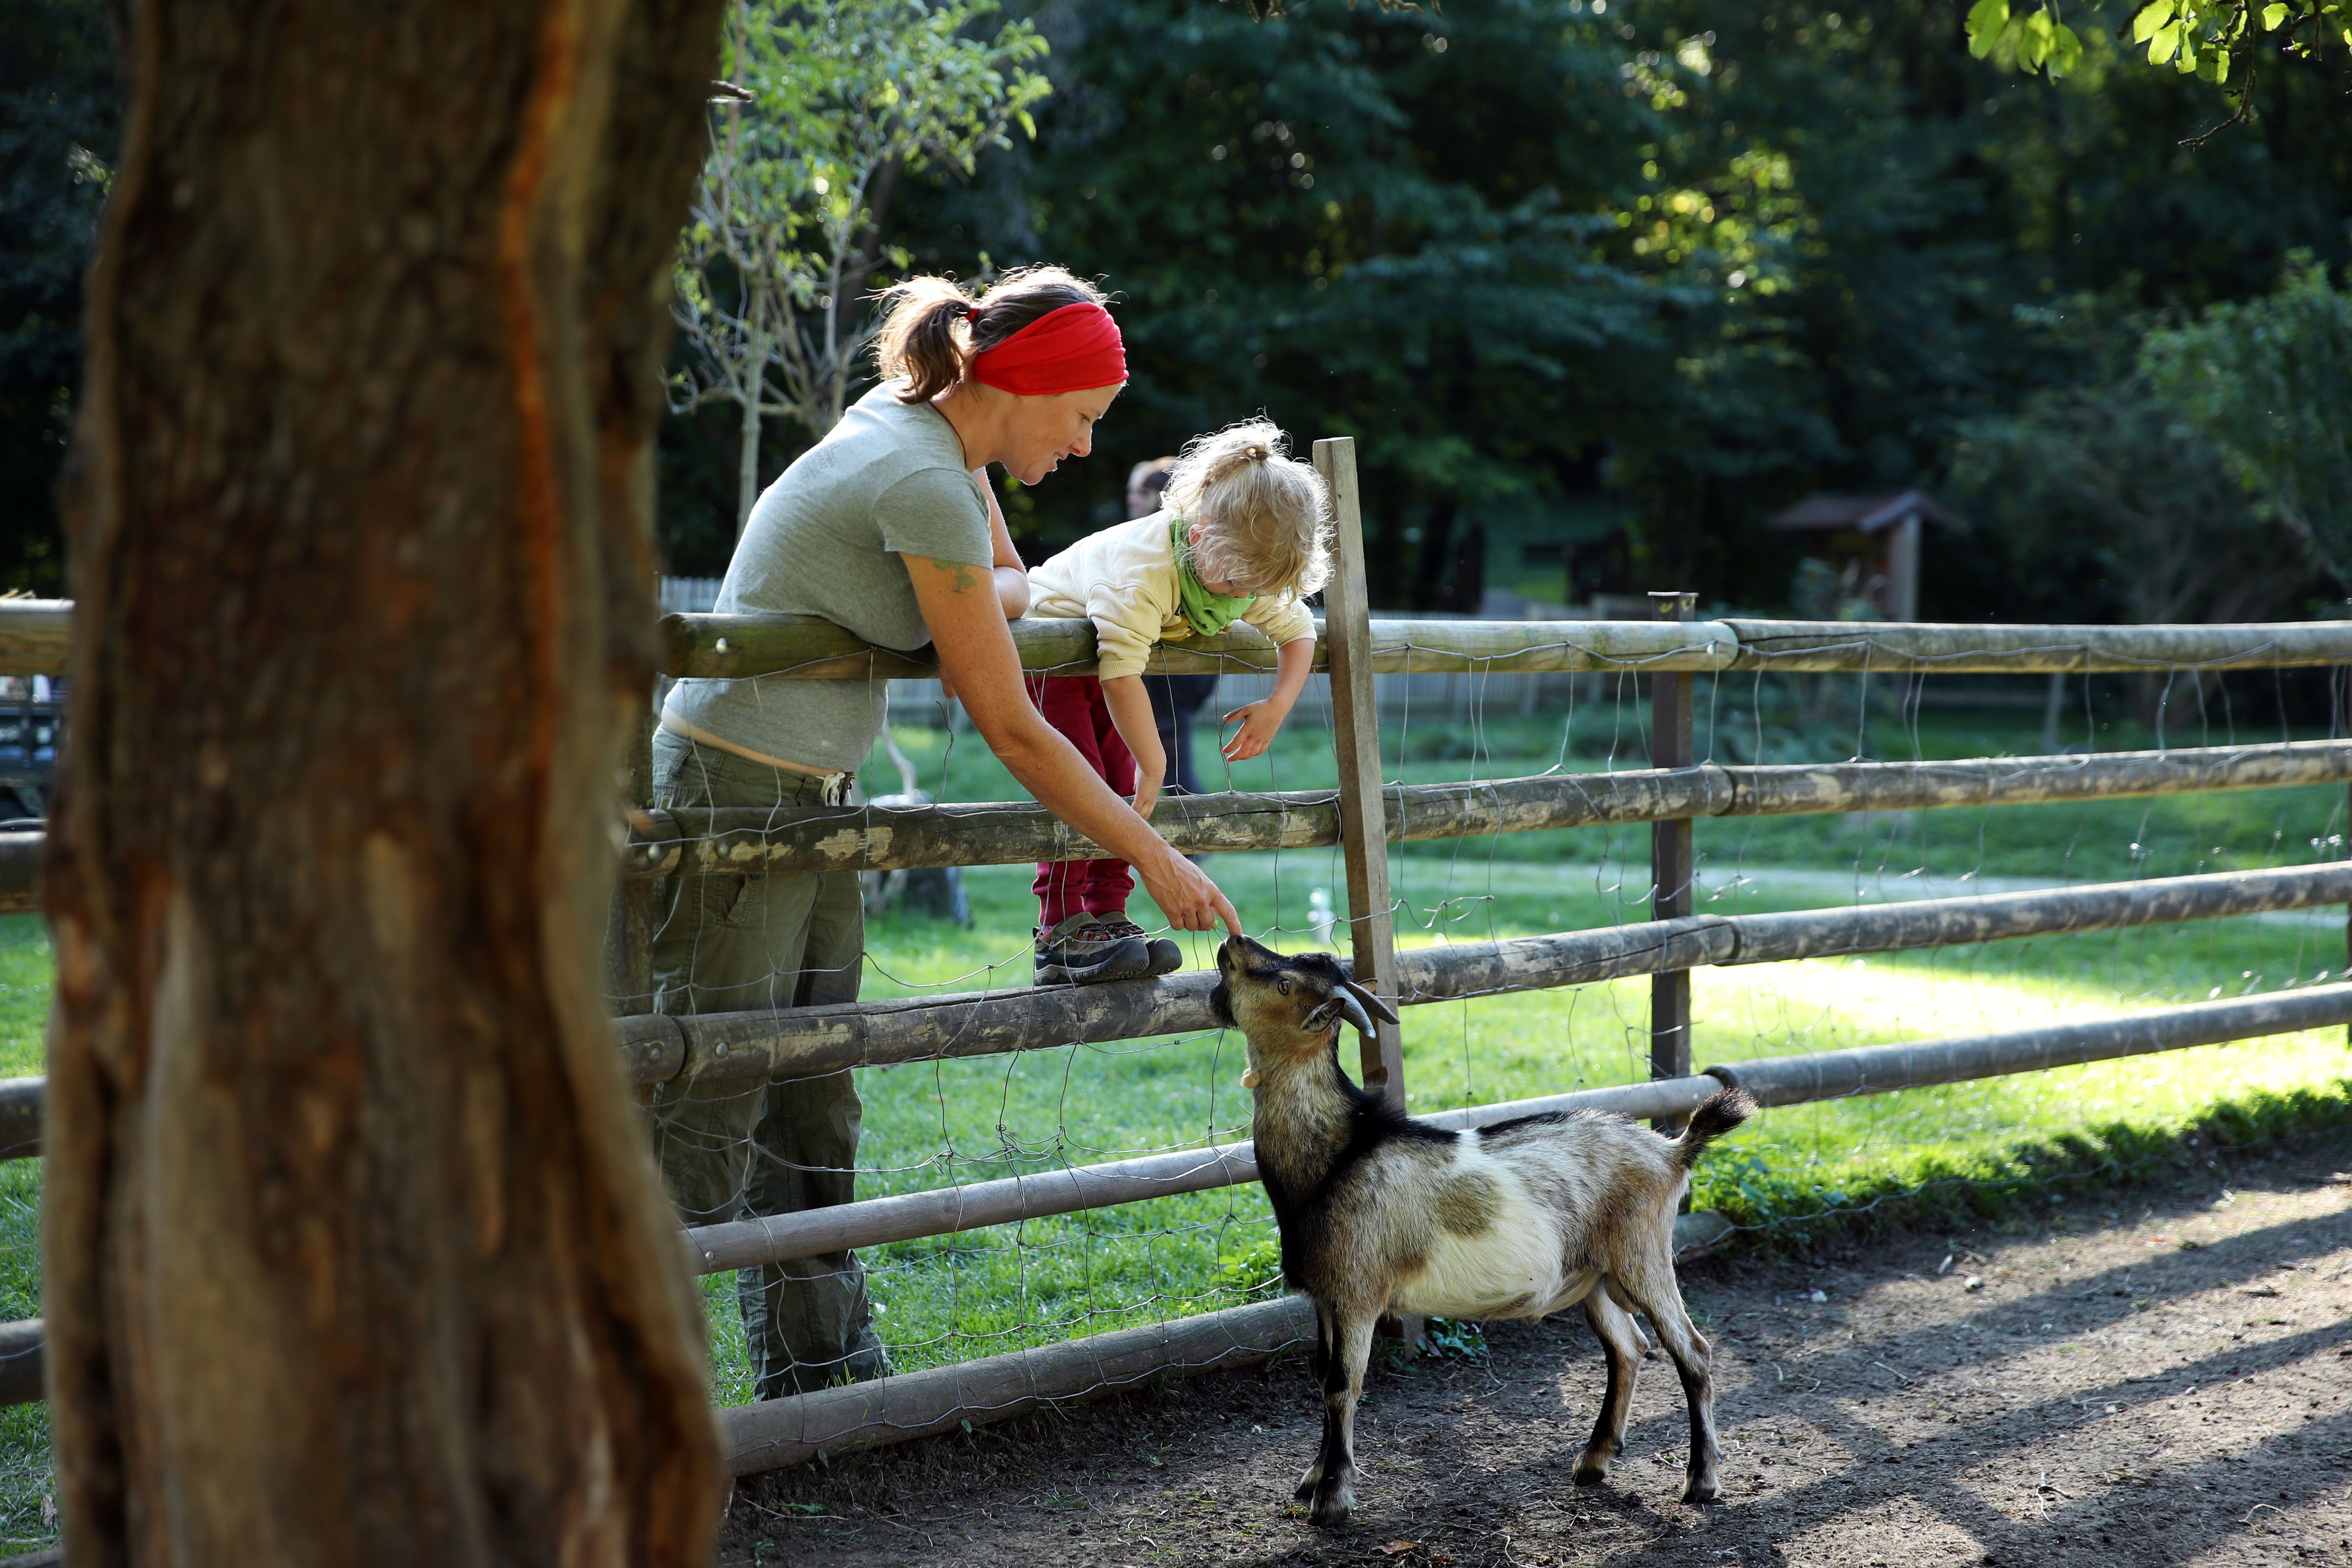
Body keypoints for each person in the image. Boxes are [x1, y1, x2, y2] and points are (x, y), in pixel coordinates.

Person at [647, 266, 1239, 1401]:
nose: (1080, 450)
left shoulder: (947, 448)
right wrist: (1153, 854)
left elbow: (1010, 583)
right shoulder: (920, 472)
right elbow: (1014, 727)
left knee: (818, 1088)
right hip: (731, 792)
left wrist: (983, 587)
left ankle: (826, 1385)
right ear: (1021, 384)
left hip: (814, 794)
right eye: (1080, 420)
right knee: (704, 1099)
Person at [1020, 420, 1330, 985]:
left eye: (1254, 588)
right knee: (1083, 783)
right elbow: (1118, 676)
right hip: (1052, 660)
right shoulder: (1142, 572)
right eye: (1237, 584)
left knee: (1123, 787)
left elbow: (1298, 630)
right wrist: (1156, 760)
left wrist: (1277, 705)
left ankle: (1108, 914)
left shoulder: (1240, 567)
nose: (1244, 597)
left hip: (1107, 665)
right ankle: (1059, 928)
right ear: (1198, 539)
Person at [1127, 458, 1220, 804]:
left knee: (1172, 756)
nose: (1134, 499)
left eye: (1142, 492)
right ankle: (1191, 839)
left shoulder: (1165, 542)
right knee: (1169, 752)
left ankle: (1194, 837)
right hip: (1183, 668)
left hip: (1173, 670)